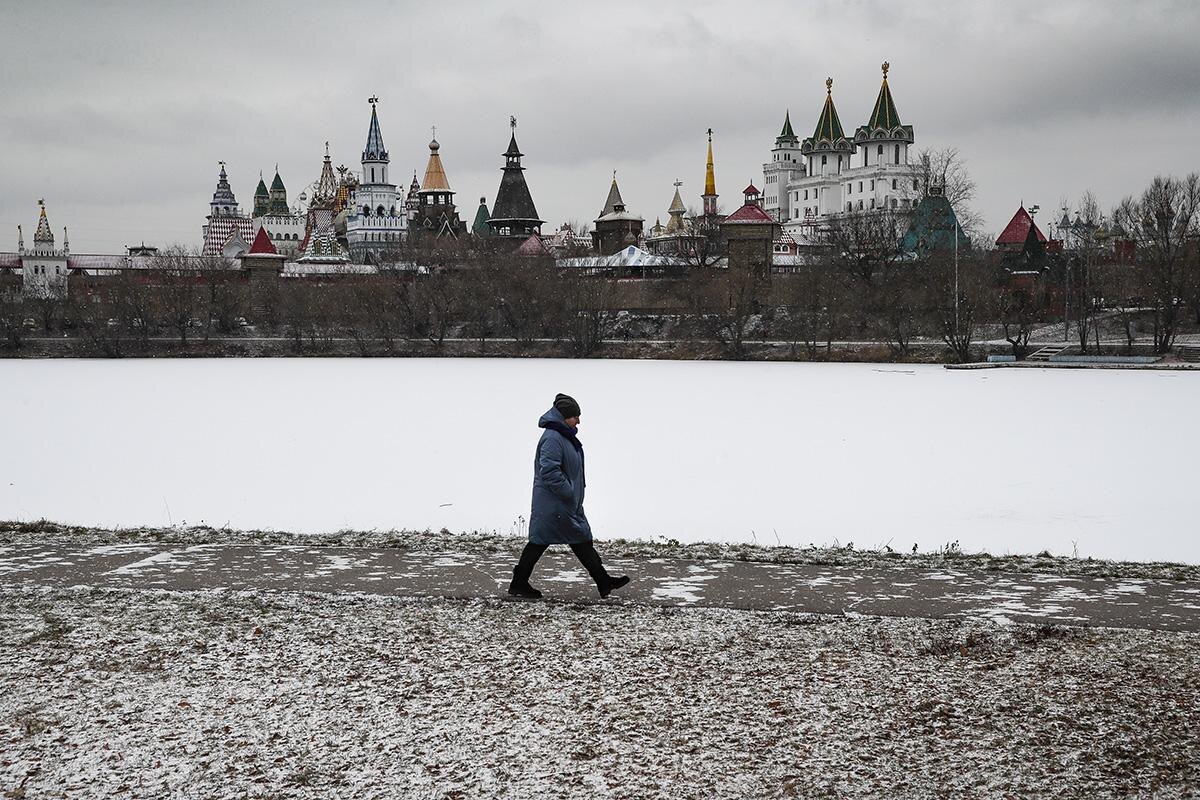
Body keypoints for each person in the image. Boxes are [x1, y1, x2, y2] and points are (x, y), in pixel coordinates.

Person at [508, 393, 630, 600]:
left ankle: (603, 581)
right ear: (564, 417)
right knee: (543, 542)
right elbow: (549, 471)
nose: (579, 421)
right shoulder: (553, 438)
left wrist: (572, 494)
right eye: (575, 416)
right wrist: (568, 492)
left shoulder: (562, 435)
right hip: (555, 503)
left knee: (577, 539)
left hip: (562, 502)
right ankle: (519, 583)